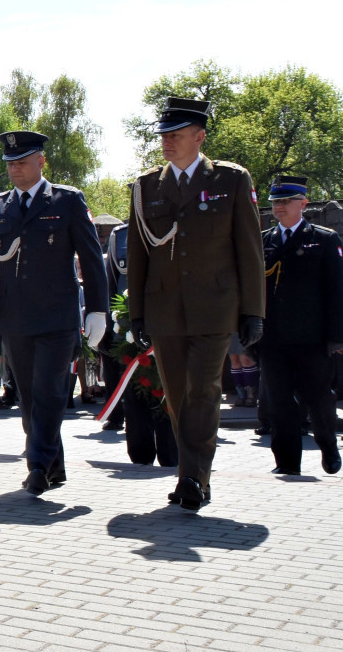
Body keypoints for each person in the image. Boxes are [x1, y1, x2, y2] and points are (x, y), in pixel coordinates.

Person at [126, 97, 265, 511]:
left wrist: (253, 310)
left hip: (215, 306)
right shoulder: (147, 186)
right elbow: (137, 255)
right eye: (164, 135)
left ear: (199, 136)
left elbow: (250, 250)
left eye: (176, 134)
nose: (167, 142)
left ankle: (193, 478)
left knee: (204, 390)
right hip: (165, 308)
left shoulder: (231, 180)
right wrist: (137, 313)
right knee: (178, 395)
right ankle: (190, 471)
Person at [0, 131, 108, 495]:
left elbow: (92, 260)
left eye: (22, 161)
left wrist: (97, 310)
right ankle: (54, 467)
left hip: (57, 316)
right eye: (10, 163)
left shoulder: (67, 200)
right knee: (30, 398)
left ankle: (37, 466)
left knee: (49, 392)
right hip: (14, 318)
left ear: (41, 162)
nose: (15, 169)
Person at [257, 175, 343, 476]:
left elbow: (337, 290)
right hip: (273, 338)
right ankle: (287, 461)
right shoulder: (264, 240)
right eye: (275, 202)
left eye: (285, 201)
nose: (278, 207)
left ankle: (328, 446)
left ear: (303, 203)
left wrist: (336, 336)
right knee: (279, 402)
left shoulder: (324, 238)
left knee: (318, 398)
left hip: (313, 338)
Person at [103, 222, 179, 465]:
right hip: (129, 331)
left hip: (174, 326)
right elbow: (112, 285)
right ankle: (140, 454)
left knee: (169, 393)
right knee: (135, 397)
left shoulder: (181, 227)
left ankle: (171, 453)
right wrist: (106, 327)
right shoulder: (120, 235)